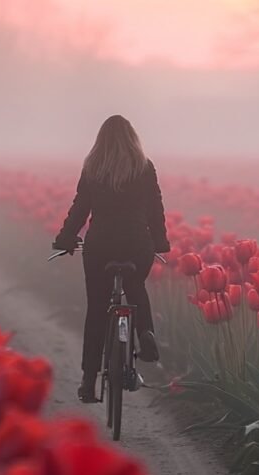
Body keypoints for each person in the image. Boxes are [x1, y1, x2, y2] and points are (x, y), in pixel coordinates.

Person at [52, 115, 170, 403]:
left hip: (101, 245)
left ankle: (89, 381)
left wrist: (65, 239)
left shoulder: (93, 168)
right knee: (135, 286)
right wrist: (161, 242)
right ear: (133, 140)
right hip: (136, 244)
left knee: (97, 309)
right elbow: (156, 208)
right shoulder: (144, 167)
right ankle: (145, 333)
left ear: (100, 141)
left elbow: (80, 207)